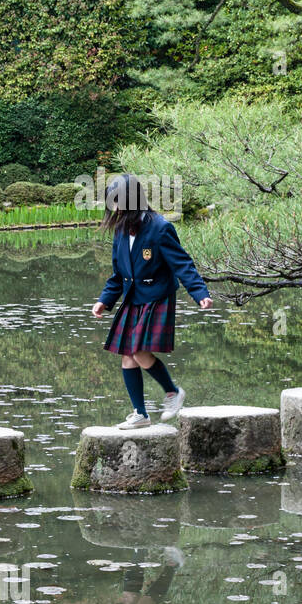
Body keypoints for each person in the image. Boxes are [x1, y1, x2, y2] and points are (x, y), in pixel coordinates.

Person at [92, 173, 212, 429]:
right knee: (127, 354)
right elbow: (118, 274)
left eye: (119, 202)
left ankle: (172, 392)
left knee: (138, 351)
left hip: (157, 295)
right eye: (112, 202)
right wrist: (105, 300)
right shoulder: (121, 230)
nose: (115, 208)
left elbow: (182, 264)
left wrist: (199, 292)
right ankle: (140, 414)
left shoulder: (160, 228)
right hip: (133, 297)